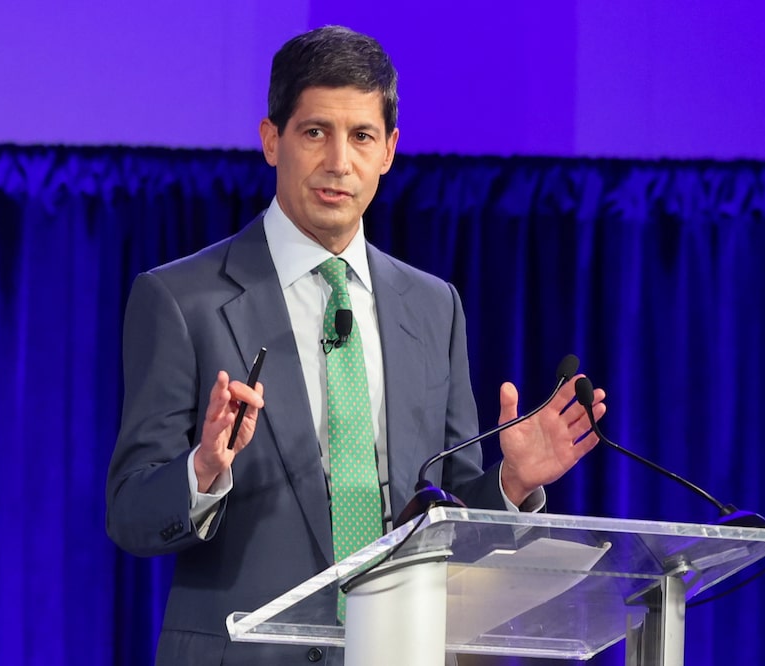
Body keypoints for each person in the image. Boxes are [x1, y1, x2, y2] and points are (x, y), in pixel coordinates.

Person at [105, 25, 606, 666]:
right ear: (271, 140)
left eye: (362, 136)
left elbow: (447, 514)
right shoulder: (182, 299)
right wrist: (202, 472)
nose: (339, 161)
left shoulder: (434, 307)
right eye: (316, 132)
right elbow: (130, 512)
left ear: (389, 150)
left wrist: (509, 483)